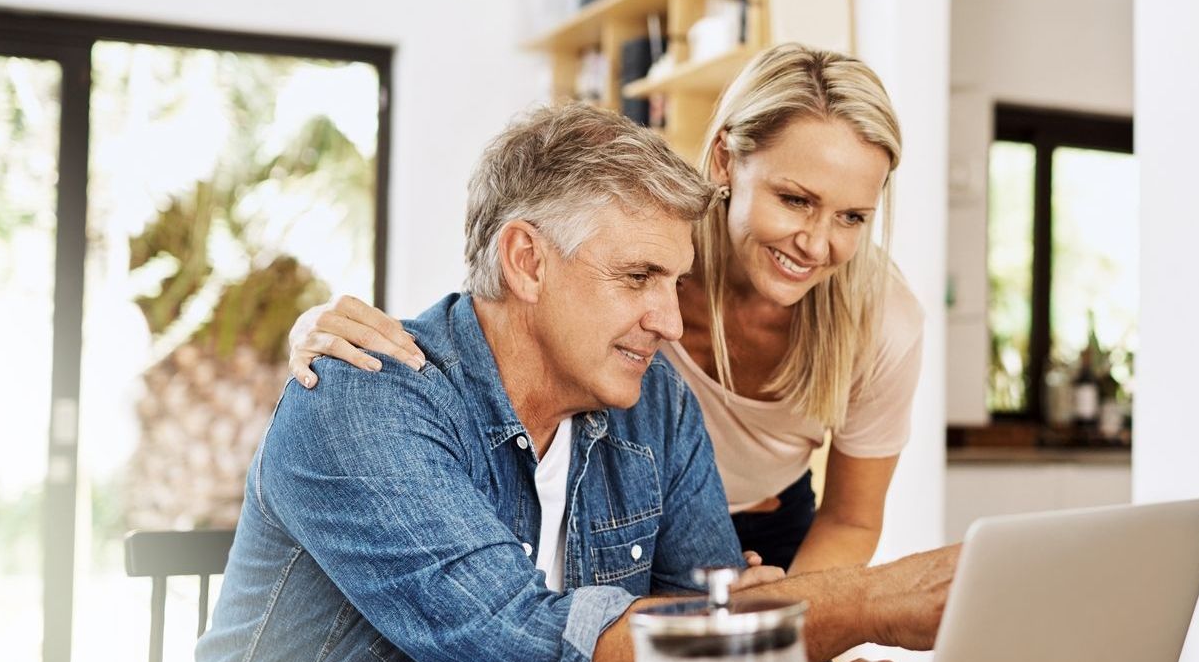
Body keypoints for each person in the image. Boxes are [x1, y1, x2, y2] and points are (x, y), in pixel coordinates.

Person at [148, 104, 953, 662]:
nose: (671, 321)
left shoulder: (656, 407)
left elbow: (714, 610)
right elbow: (534, 655)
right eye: (638, 277)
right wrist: (869, 603)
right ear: (527, 261)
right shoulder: (363, 399)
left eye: (675, 282)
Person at [289, 44, 922, 574]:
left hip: (767, 528)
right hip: (613, 496)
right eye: (794, 199)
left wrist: (799, 628)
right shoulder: (650, 231)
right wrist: (334, 344)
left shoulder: (881, 323)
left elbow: (851, 517)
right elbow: (504, 308)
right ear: (727, 159)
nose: (816, 243)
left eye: (852, 217)